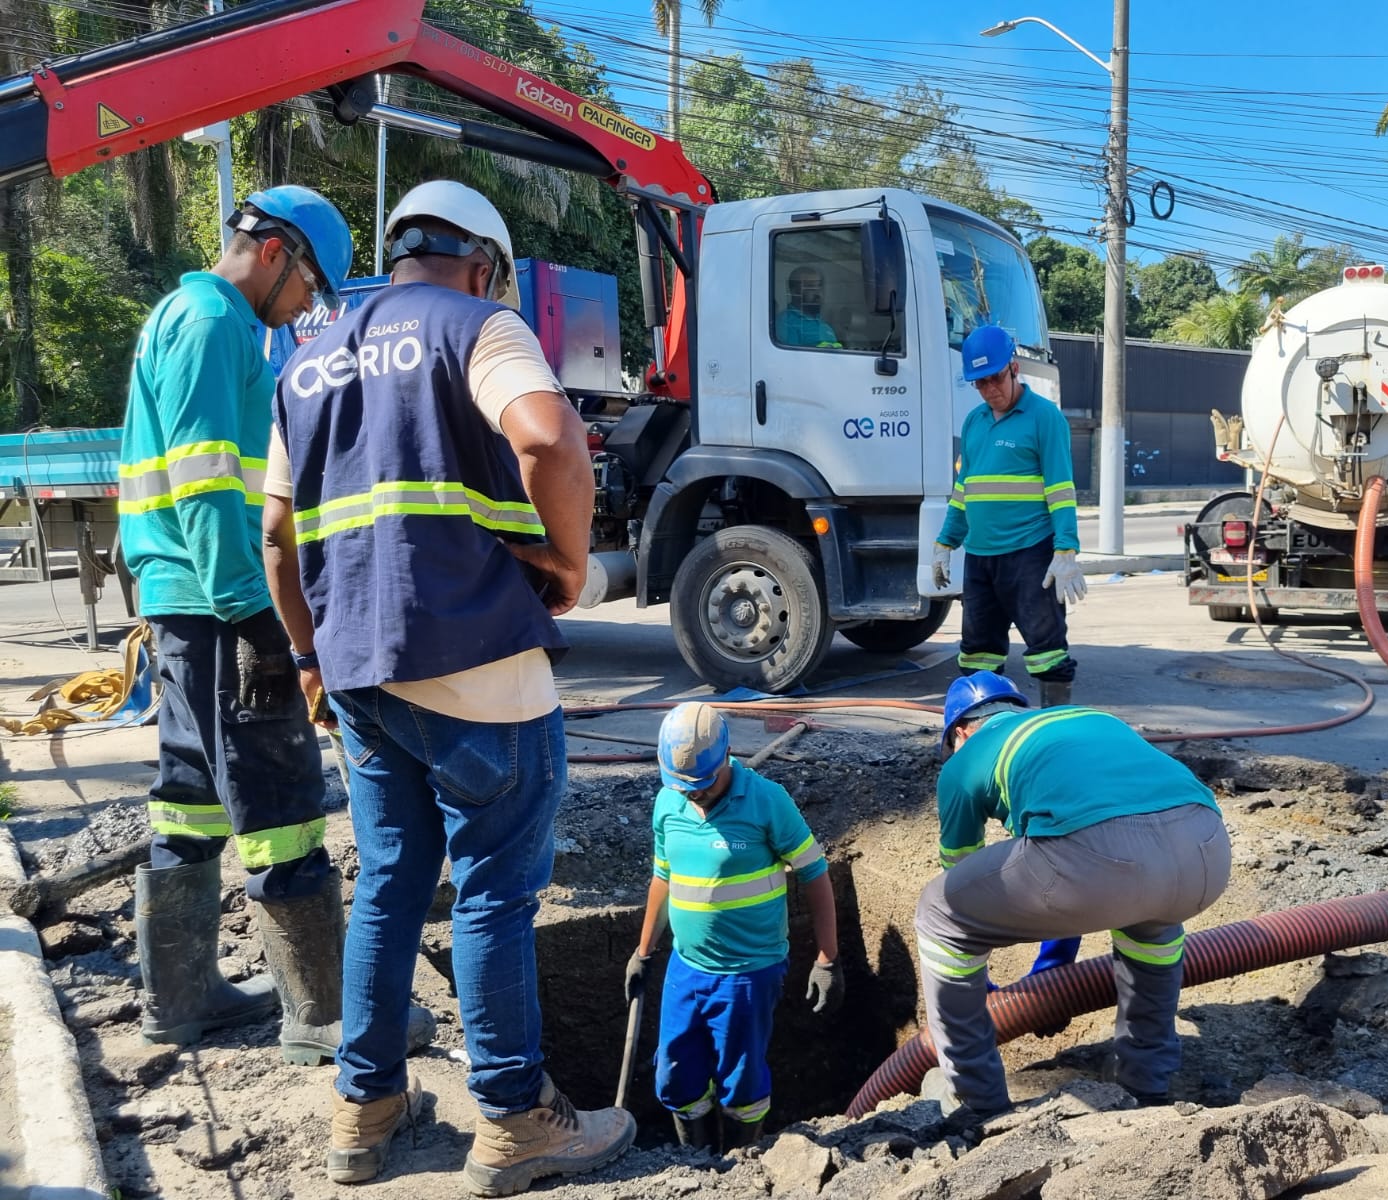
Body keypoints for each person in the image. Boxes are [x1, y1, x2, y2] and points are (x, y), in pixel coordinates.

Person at [263, 179, 633, 1191]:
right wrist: (563, 562)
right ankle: (517, 1118)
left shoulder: (306, 359)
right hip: (483, 673)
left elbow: (277, 536)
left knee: (386, 889)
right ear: (484, 264)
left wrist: (308, 656)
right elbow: (550, 437)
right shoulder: (479, 325)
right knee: (493, 898)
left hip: (357, 678)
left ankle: (364, 1108)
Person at [118, 184, 382, 1065]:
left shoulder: (186, 315)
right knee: (281, 800)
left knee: (189, 795)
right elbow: (204, 486)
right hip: (220, 601)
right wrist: (260, 616)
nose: (310, 304)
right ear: (276, 253)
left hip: (180, 603)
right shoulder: (215, 323)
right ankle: (324, 1016)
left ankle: (182, 997)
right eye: (311, 283)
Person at [915, 672, 1231, 1118]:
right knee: (1151, 923)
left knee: (937, 916)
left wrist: (976, 979)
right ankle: (1148, 1084)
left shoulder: (966, 760)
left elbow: (961, 881)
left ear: (961, 732)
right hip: (1207, 852)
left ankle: (973, 1099)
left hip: (1100, 859)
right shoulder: (1088, 719)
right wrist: (1054, 964)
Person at [624, 703, 844, 1151]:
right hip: (687, 967)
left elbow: (814, 874)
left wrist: (828, 958)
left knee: (740, 1078)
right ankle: (697, 1156)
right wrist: (643, 951)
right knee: (675, 1072)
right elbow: (663, 877)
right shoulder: (670, 803)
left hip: (749, 971)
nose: (693, 795)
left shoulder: (767, 802)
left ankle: (741, 1161)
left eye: (700, 785)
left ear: (726, 757)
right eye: (683, 787)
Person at [930, 324, 1086, 708]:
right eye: (979, 383)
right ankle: (987, 727)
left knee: (1047, 651)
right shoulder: (974, 423)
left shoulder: (1044, 417)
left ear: (1014, 368)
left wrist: (1066, 549)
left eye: (995, 378)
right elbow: (964, 490)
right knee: (977, 653)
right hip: (981, 560)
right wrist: (944, 542)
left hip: (1029, 553)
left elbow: (1061, 489)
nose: (989, 390)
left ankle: (1055, 729)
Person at [774, 265, 840, 348]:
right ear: (794, 291)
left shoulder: (825, 326)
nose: (818, 293)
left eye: (819, 287)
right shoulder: (786, 323)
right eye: (810, 287)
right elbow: (790, 358)